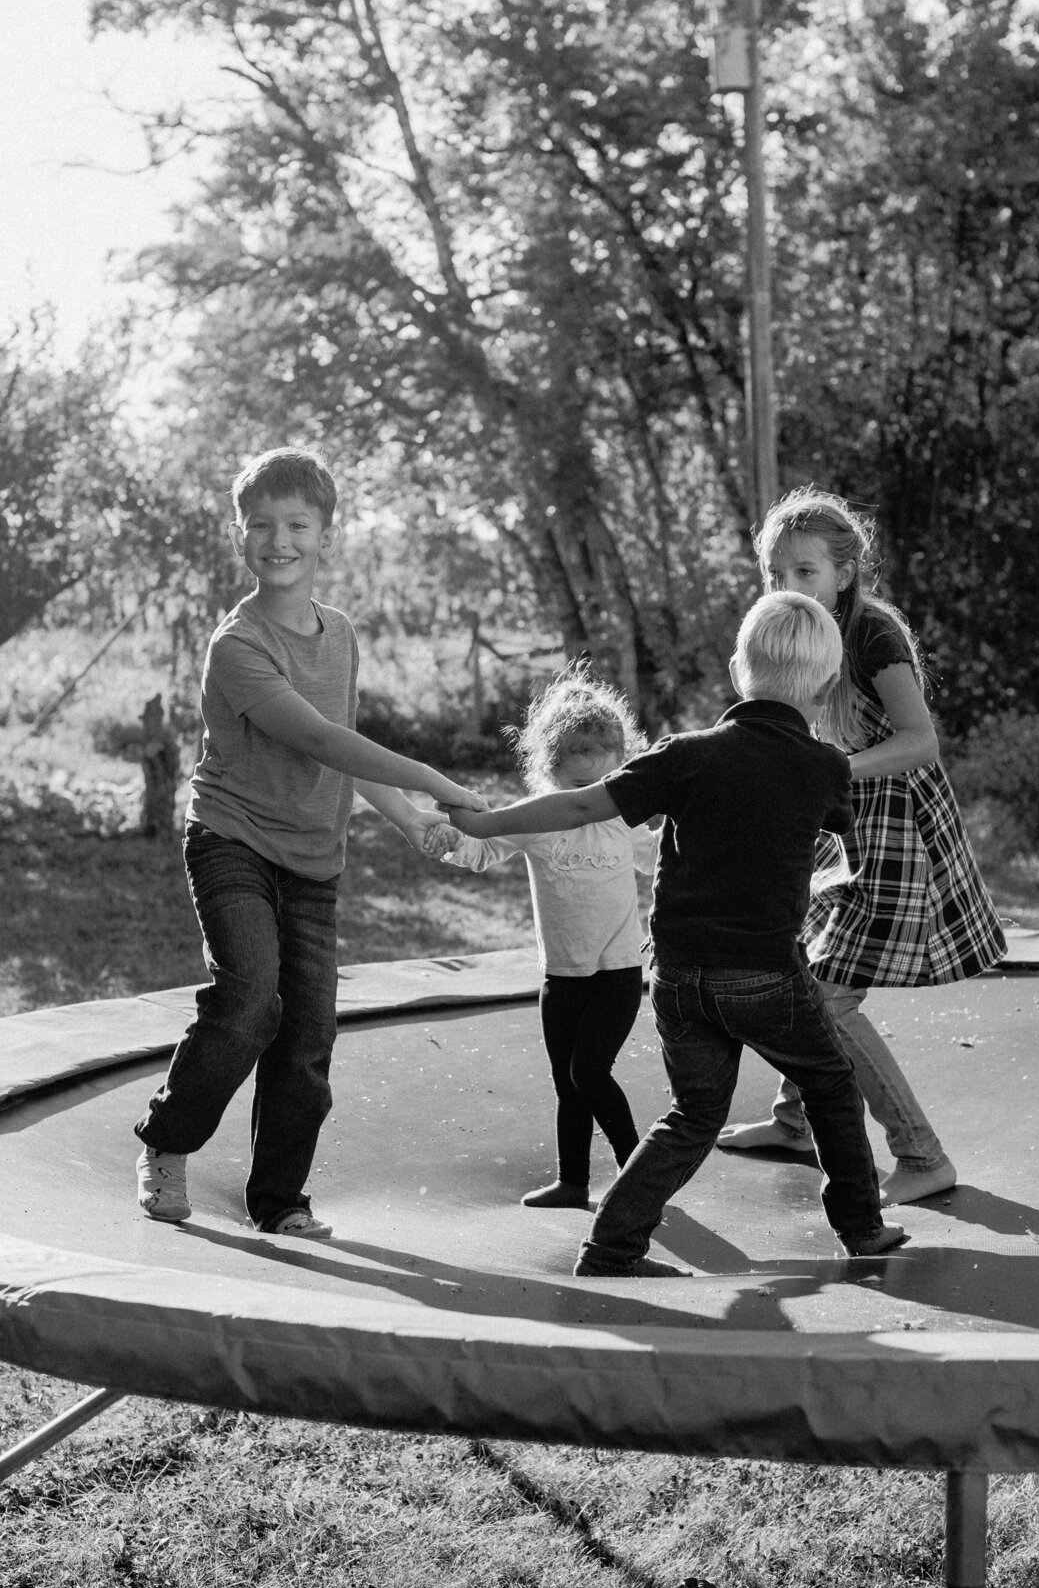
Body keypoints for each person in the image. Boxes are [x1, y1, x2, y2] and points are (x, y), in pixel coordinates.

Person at [443, 592, 905, 1276]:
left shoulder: (685, 755)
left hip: (680, 977)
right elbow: (832, 827)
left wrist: (484, 823)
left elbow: (579, 805)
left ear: (737, 670)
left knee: (693, 1114)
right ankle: (861, 1228)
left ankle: (612, 1245)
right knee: (831, 1085)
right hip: (765, 975)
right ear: (828, 686)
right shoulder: (825, 767)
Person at [135, 446, 484, 1238]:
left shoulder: (341, 634)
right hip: (232, 840)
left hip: (313, 860)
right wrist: (433, 778)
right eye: (260, 525)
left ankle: (280, 1200)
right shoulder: (238, 645)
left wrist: (408, 818)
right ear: (239, 536)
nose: (278, 540)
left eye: (297, 525)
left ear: (327, 536)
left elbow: (343, 748)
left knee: (308, 1035)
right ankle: (167, 1139)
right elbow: (320, 739)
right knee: (250, 998)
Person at [717, 487, 1005, 1205]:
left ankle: (921, 1155)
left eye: (805, 571)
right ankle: (795, 1123)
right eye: (776, 574)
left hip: (894, 824)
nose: (788, 585)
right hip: (842, 819)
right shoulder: (797, 630)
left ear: (844, 573)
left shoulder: (871, 634)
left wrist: (832, 771)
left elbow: (920, 740)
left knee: (829, 996)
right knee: (802, 965)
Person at [428, 666, 658, 1210]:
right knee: (567, 1083)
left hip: (619, 971)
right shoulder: (537, 820)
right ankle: (573, 1182)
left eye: (603, 787)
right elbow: (482, 849)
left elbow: (660, 863)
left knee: (589, 1072)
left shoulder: (624, 821)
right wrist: (447, 838)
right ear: (550, 772)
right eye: (580, 788)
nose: (591, 800)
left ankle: (641, 1179)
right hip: (561, 976)